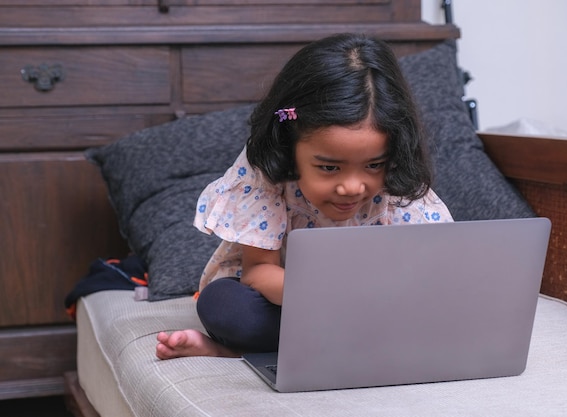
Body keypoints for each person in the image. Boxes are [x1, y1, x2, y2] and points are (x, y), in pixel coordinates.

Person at [155, 33, 453, 360]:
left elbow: (428, 275)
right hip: (284, 298)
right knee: (223, 306)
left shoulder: (396, 186)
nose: (353, 187)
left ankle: (299, 346)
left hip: (375, 308)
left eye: (373, 164)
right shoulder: (266, 175)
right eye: (329, 167)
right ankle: (235, 347)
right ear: (290, 145)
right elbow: (258, 272)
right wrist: (326, 298)